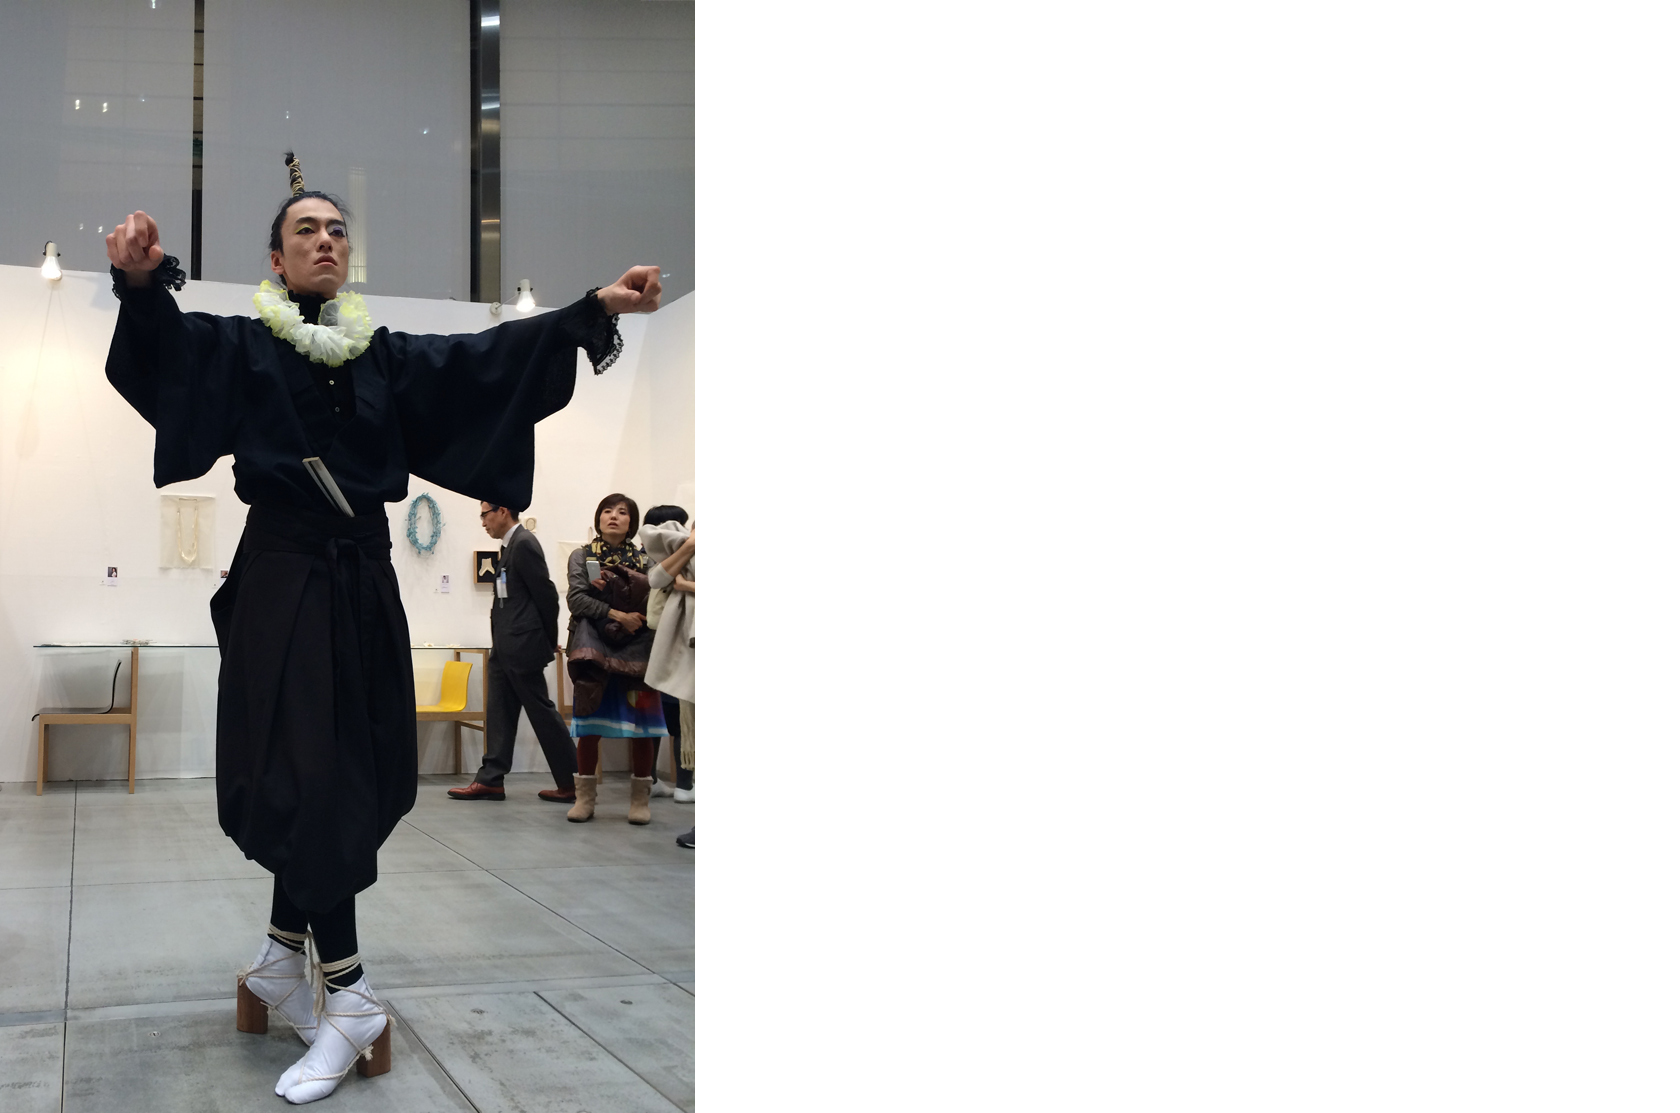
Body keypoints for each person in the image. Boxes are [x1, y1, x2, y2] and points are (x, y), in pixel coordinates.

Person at [102, 151, 661, 1105]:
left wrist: (591, 309)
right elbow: (166, 357)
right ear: (276, 259)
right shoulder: (243, 347)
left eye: (338, 229)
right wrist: (139, 282)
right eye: (306, 230)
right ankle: (335, 986)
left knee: (336, 770)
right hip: (280, 579)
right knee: (295, 769)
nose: (326, 239)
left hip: (361, 583)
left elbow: (484, 361)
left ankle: (303, 970)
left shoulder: (384, 355)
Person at [448, 502, 577, 803]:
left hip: (522, 647)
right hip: (505, 646)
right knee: (499, 712)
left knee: (542, 713)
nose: (483, 522)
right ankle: (491, 779)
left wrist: (549, 640)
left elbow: (547, 596)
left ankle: (574, 781)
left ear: (503, 511)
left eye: (485, 514)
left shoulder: (524, 543)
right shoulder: (510, 546)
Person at [564, 493, 666, 824]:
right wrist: (617, 614)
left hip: (639, 649)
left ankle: (640, 801)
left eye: (622, 512)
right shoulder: (582, 556)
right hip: (594, 649)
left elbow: (657, 601)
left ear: (631, 522)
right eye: (607, 510)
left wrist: (631, 615)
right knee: (589, 723)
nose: (613, 516)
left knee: (643, 727)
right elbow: (576, 600)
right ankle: (585, 799)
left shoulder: (647, 560)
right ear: (598, 518)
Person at [640, 509, 695, 849]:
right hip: (684, 650)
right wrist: (690, 547)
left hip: (686, 648)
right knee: (680, 724)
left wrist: (687, 585)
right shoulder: (685, 550)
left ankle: (684, 783)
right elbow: (657, 579)